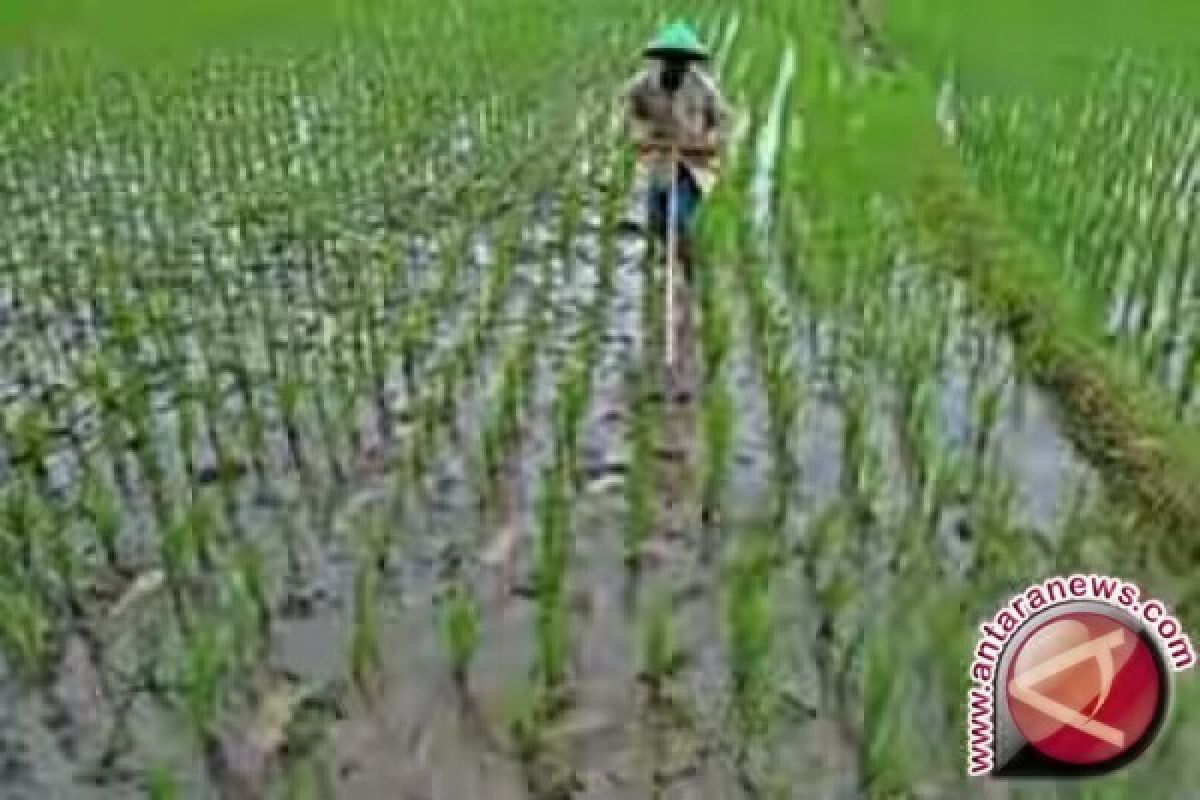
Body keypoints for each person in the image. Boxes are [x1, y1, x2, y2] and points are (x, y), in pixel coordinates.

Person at [623, 21, 731, 278]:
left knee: (678, 217)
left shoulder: (703, 89)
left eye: (682, 61)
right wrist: (641, 136)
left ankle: (687, 271)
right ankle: (672, 259)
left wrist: (710, 144)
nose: (676, 66)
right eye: (671, 60)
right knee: (657, 221)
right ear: (661, 59)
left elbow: (723, 123)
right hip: (661, 160)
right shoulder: (643, 86)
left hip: (695, 165)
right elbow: (632, 114)